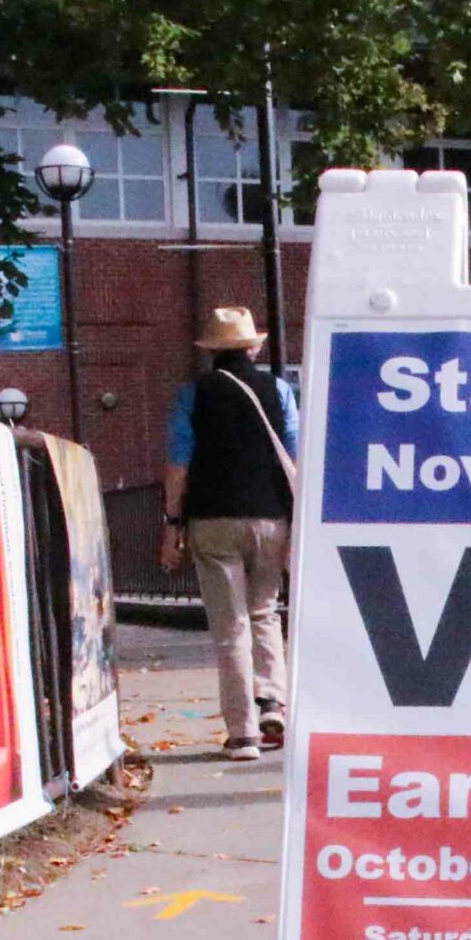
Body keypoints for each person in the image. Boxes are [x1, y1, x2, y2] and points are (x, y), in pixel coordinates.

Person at [160, 306, 298, 762]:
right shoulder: (279, 390)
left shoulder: (192, 395)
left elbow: (179, 463)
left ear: (211, 352)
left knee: (229, 626)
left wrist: (172, 522)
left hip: (212, 518)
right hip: (271, 518)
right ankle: (272, 701)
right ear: (253, 347)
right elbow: (295, 455)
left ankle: (242, 734)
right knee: (264, 610)